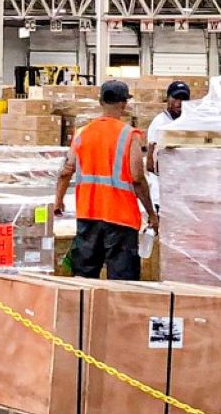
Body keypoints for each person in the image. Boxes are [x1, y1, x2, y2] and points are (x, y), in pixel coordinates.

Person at [52, 80, 156, 280]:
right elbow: (137, 178)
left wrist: (58, 200)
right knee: (122, 282)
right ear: (124, 104)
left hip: (88, 216)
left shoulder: (82, 133)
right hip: (121, 219)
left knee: (83, 277)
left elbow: (66, 171)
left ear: (100, 101)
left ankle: (83, 311)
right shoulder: (129, 135)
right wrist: (151, 213)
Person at [144, 80, 191, 175]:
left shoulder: (190, 123)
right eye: (176, 98)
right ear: (168, 98)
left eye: (184, 99)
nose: (180, 102)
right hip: (164, 181)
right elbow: (150, 164)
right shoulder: (159, 123)